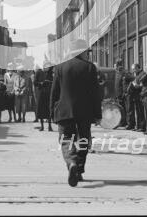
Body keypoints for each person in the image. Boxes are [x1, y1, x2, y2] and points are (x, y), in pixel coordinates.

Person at [50, 39, 102, 187]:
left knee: (67, 139)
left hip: (64, 111)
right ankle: (78, 169)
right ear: (82, 52)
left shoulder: (60, 67)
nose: (88, 55)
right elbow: (95, 94)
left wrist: (52, 113)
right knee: (84, 140)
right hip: (85, 112)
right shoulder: (90, 68)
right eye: (87, 52)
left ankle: (72, 162)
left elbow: (54, 92)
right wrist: (97, 114)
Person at [34, 62, 54, 131]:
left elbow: (54, 81)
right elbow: (35, 82)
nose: (47, 68)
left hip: (49, 93)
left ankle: (49, 126)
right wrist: (41, 83)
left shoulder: (51, 73)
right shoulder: (38, 72)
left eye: (48, 67)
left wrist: (50, 82)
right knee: (41, 110)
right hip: (41, 93)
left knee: (49, 110)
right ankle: (42, 126)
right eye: (46, 67)